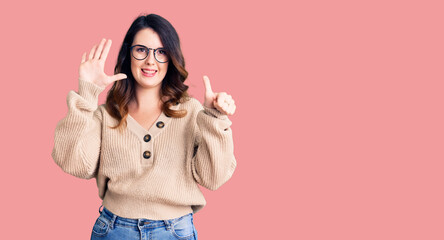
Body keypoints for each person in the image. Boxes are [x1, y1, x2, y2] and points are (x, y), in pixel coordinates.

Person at [51, 13, 237, 240]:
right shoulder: (106, 115)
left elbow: (213, 178)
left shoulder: (192, 112)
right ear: (128, 54)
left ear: (171, 58)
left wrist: (214, 117)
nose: (151, 61)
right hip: (113, 230)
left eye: (161, 52)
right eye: (142, 50)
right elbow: (75, 164)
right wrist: (87, 93)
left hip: (175, 232)